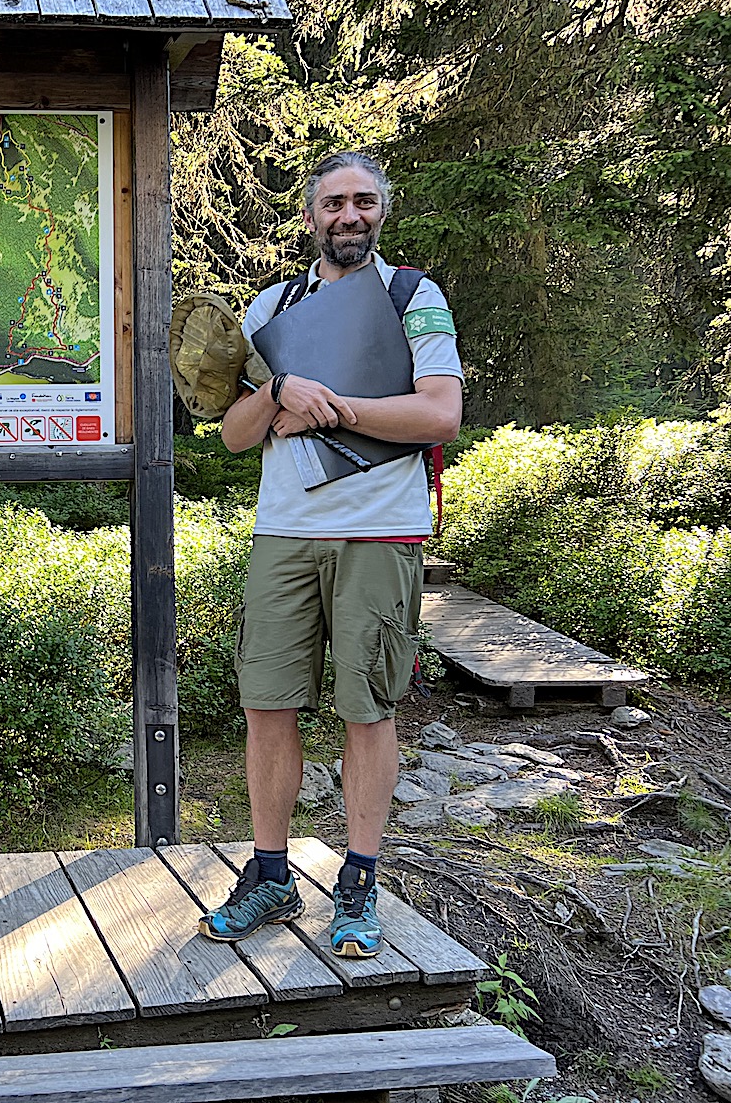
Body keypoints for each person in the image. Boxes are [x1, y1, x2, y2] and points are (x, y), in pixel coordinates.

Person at [199, 151, 463, 958]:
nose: (349, 216)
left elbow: (441, 413)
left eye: (363, 202)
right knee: (267, 705)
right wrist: (278, 393)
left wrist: (333, 406)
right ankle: (272, 875)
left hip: (379, 531)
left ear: (381, 211)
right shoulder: (271, 307)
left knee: (366, 709)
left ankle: (358, 883)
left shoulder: (413, 298)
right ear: (310, 215)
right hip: (284, 532)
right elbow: (232, 433)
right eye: (334, 204)